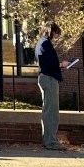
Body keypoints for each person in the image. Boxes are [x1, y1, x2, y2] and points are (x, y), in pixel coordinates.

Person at [35, 21, 70, 151]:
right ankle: (50, 140)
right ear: (51, 31)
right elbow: (51, 64)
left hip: (45, 77)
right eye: (55, 33)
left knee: (48, 109)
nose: (56, 36)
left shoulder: (40, 42)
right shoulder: (45, 43)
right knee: (52, 111)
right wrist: (62, 64)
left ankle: (48, 139)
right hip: (49, 78)